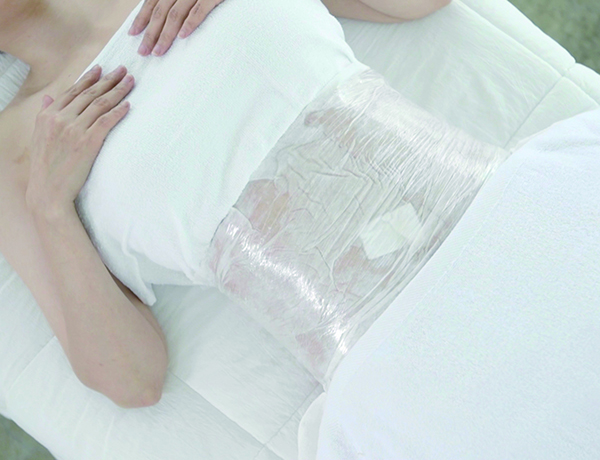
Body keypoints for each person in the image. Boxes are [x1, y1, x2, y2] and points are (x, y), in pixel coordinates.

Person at [0, 0, 451, 409]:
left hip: (475, 216)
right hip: (393, 356)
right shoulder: (16, 156)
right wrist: (49, 207)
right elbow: (133, 381)